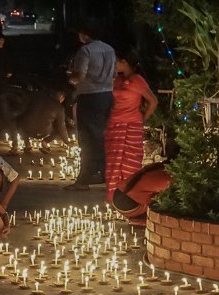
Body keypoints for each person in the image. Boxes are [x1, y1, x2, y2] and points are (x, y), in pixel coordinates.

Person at [65, 20, 116, 191]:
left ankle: (87, 177)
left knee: (88, 138)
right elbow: (114, 74)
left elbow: (79, 75)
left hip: (90, 96)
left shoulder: (85, 50)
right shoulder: (109, 49)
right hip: (108, 95)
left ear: (84, 34)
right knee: (101, 135)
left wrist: (70, 78)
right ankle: (104, 173)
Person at [105, 49, 158, 199]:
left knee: (130, 163)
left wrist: (143, 118)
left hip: (132, 126)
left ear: (124, 62)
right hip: (114, 124)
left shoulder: (137, 80)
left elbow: (153, 101)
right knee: (113, 163)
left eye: (116, 61)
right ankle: (113, 196)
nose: (114, 64)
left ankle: (129, 196)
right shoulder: (117, 79)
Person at [14, 86, 70, 153]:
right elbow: (62, 126)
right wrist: (67, 142)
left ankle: (27, 144)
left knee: (20, 122)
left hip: (26, 130)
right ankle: (45, 142)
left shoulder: (37, 98)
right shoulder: (59, 107)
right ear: (61, 97)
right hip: (43, 132)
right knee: (57, 128)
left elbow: (22, 109)